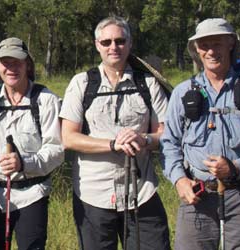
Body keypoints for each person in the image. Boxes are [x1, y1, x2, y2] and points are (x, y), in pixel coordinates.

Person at [161, 17, 240, 249]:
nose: (211, 51)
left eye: (217, 43)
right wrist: (179, 181)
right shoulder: (182, 92)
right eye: (204, 45)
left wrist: (236, 167)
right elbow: (169, 143)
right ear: (196, 49)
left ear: (231, 44)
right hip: (195, 195)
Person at [59, 16, 171, 250]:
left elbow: (166, 133)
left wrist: (145, 139)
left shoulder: (147, 83)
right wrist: (112, 145)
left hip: (142, 193)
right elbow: (68, 137)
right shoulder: (81, 84)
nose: (114, 47)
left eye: (120, 41)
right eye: (107, 42)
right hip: (93, 196)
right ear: (97, 45)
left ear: (129, 44)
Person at [0, 37, 64, 250]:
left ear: (27, 64)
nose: (11, 68)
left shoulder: (46, 100)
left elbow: (57, 150)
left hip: (32, 194)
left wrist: (23, 163)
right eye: (5, 62)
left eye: (17, 62)